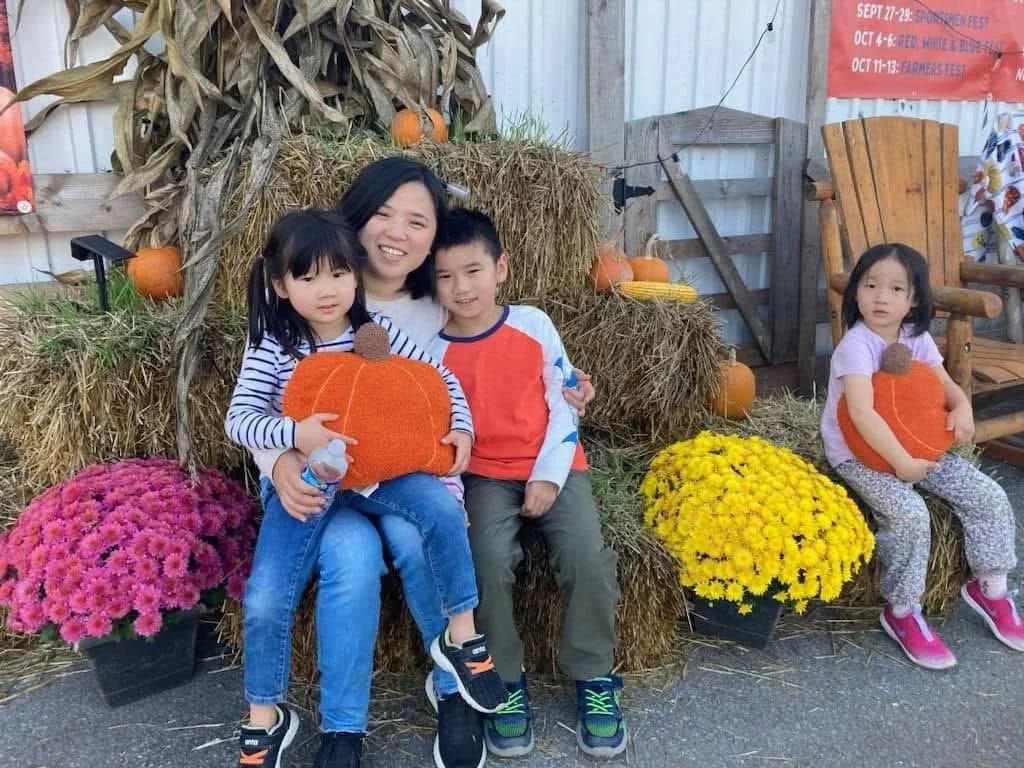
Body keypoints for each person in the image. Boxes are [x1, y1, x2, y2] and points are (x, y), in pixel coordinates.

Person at [249, 158, 596, 768]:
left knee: (422, 535)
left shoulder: (438, 301)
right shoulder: (295, 319)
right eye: (383, 215)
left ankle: (455, 689)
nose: (397, 232)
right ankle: (341, 730)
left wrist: (565, 393)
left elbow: (496, 362)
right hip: (324, 479)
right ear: (353, 225)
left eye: (417, 221)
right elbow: (259, 404)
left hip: (406, 473)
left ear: (435, 236)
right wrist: (278, 457)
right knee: (351, 558)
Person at [226, 208, 507, 768]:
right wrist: (293, 435)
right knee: (264, 598)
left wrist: (460, 425)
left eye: (336, 275)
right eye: (306, 279)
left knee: (438, 510)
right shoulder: (274, 346)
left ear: (355, 275)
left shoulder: (375, 336)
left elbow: (438, 378)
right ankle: (266, 718)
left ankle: (461, 638)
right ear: (280, 286)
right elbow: (240, 419)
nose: (325, 291)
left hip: (377, 475)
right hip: (310, 484)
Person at [426, 208, 626, 759]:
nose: (461, 288)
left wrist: (547, 476)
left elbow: (566, 405)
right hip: (484, 475)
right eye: (444, 276)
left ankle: (593, 675)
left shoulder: (533, 325)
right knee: (485, 563)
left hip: (554, 464)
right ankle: (504, 682)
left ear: (502, 269)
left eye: (473, 271)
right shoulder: (431, 348)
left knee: (586, 556)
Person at [820, 242, 1024, 670]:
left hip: (918, 443)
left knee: (986, 494)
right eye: (871, 285)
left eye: (896, 289)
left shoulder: (916, 338)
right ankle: (901, 611)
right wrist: (900, 465)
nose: (880, 297)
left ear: (913, 301)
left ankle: (992, 590)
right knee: (910, 513)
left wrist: (962, 407)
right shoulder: (856, 346)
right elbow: (861, 414)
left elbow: (943, 381)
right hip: (861, 453)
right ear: (855, 291)